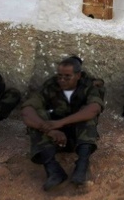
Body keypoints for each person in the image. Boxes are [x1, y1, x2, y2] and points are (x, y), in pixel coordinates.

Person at [21, 57, 104, 191]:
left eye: (67, 77)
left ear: (78, 75)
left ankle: (82, 167)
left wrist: (59, 123)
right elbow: (27, 110)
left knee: (87, 116)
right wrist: (49, 129)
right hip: (54, 138)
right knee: (38, 117)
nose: (62, 80)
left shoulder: (88, 86)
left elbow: (94, 108)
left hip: (78, 138)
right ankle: (53, 171)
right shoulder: (50, 86)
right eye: (59, 76)